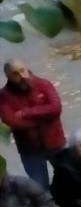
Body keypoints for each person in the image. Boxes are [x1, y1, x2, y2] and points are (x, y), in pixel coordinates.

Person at [0, 60, 66, 190]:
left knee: (68, 179)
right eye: (15, 74)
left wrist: (26, 112)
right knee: (40, 187)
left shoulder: (43, 84)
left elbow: (56, 108)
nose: (22, 75)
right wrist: (46, 117)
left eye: (22, 70)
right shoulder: (3, 96)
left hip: (55, 144)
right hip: (30, 150)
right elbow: (11, 121)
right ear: (8, 76)